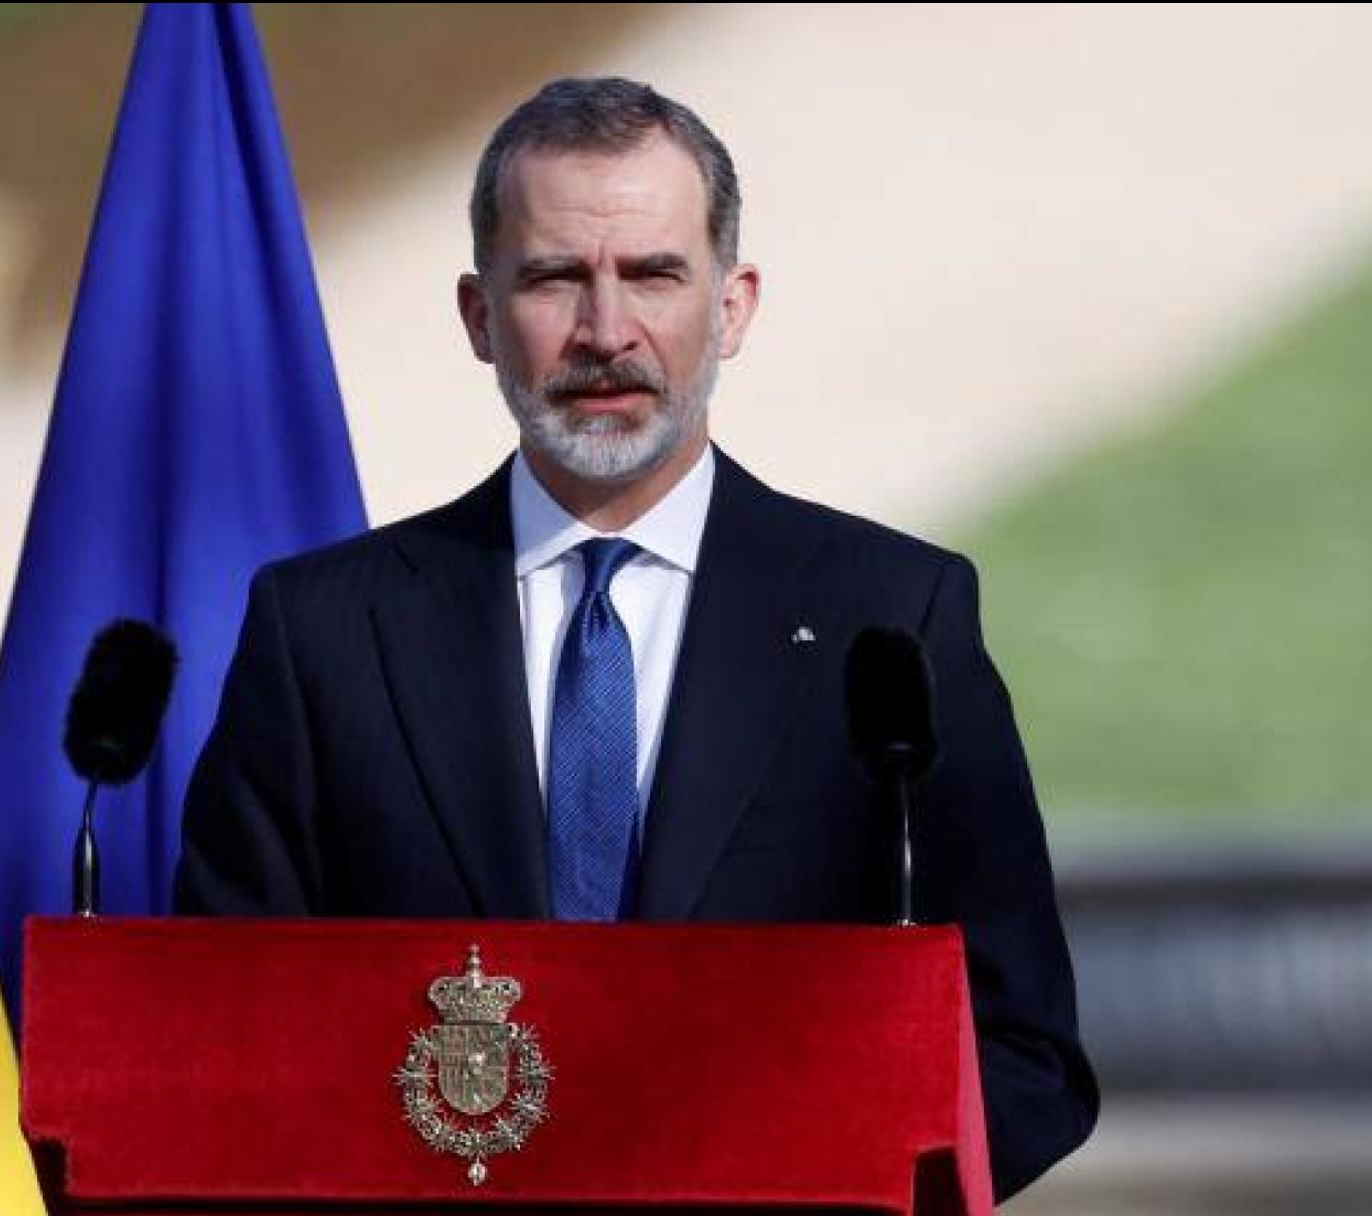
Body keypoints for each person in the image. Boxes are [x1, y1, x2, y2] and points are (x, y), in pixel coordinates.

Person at [175, 77, 1097, 1199]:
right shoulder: (324, 631)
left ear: (733, 306)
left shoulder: (895, 617)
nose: (605, 332)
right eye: (556, 277)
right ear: (479, 315)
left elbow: (1022, 1053)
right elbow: (225, 1039)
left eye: (653, 274)